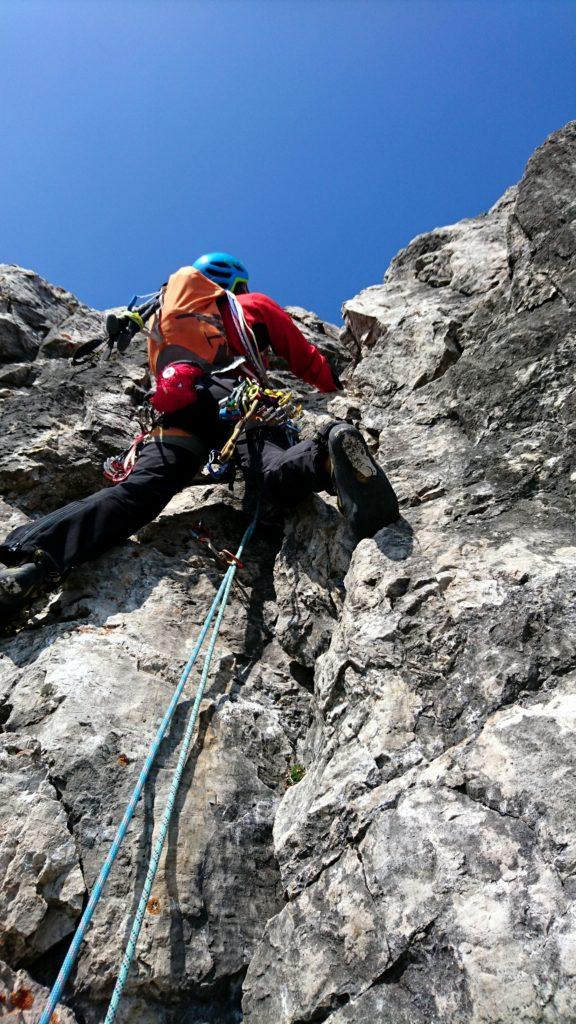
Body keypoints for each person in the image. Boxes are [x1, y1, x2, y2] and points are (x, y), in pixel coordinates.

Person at [0, 254, 399, 615]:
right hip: (240, 399)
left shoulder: (162, 316)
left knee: (136, 493)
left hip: (179, 408)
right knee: (272, 473)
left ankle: (30, 562)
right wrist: (337, 387)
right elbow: (301, 354)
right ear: (235, 283)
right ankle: (328, 458)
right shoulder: (248, 305)